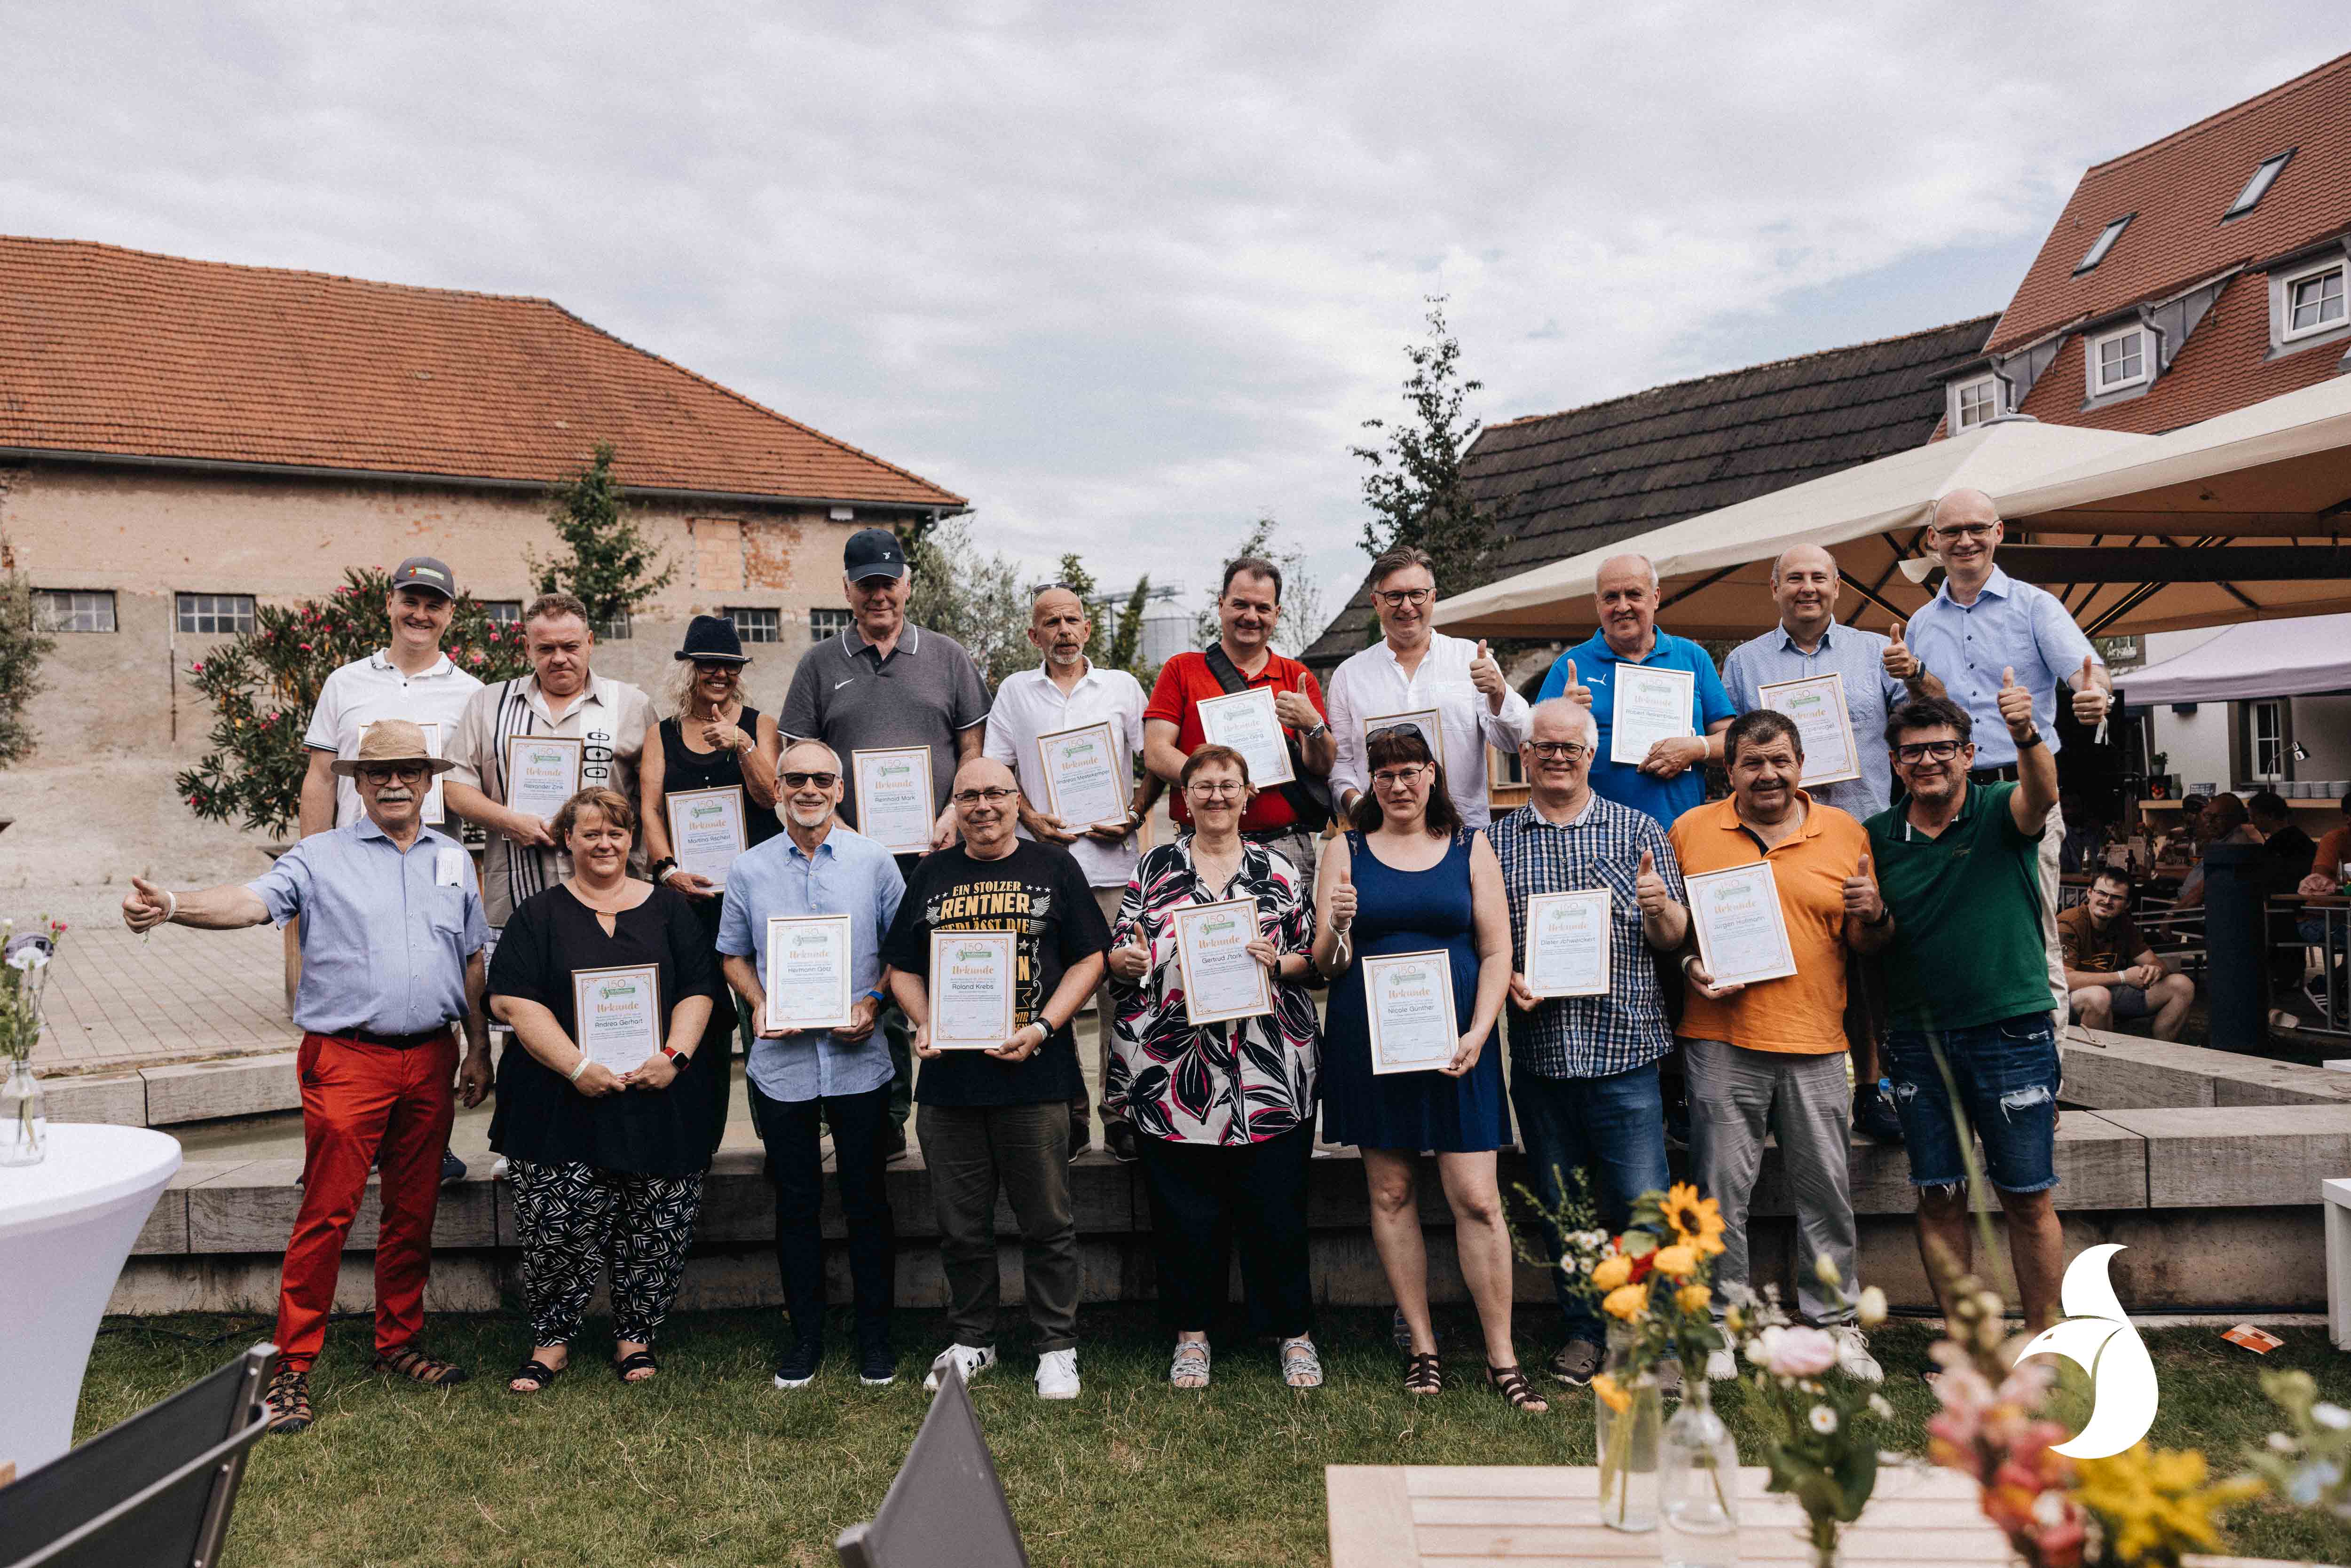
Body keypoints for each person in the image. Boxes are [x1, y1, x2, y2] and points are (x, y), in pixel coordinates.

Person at [120, 720, 492, 1434]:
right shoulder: (318, 856)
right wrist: (175, 905)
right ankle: (292, 1366)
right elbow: (252, 901)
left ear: (427, 780)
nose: (394, 783)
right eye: (378, 772)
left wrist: (477, 1047)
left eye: (408, 771)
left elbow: (471, 959)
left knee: (413, 1209)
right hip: (347, 1057)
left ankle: (398, 1342)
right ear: (356, 781)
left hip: (432, 1056)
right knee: (327, 1212)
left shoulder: (453, 858)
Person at [1312, 726, 1541, 1411]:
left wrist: (1479, 1029)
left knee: (1477, 1195)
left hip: (1457, 1043)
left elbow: (1498, 949)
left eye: (1410, 771)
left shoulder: (1471, 844)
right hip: (1371, 1040)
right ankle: (1423, 1346)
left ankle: (1502, 1352)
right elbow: (1325, 964)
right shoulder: (1342, 848)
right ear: (1370, 784)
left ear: (1433, 774)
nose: (1399, 785)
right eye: (1385, 775)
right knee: (1390, 1193)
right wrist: (1339, 926)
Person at [1667, 709, 1891, 1384]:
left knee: (1825, 1190)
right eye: (1752, 763)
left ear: (1802, 766)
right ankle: (1719, 1323)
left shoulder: (1846, 833)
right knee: (1717, 1192)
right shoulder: (1692, 830)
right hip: (1720, 1038)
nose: (1768, 774)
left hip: (1817, 1039)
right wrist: (1686, 963)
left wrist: (1874, 913)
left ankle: (1833, 1322)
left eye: (1781, 761)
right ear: (1727, 769)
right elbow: (1675, 933)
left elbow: (1865, 948)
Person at [884, 757, 1111, 1400]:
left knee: (1047, 1220)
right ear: (952, 806)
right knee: (961, 1224)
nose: (983, 805)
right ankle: (973, 1338)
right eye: (968, 795)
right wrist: (924, 1020)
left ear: (1018, 801)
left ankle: (1057, 1346)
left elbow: (1090, 957)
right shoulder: (931, 873)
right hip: (951, 1084)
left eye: (995, 793)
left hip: (1035, 1075)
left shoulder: (1054, 867)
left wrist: (1043, 1025)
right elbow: (901, 965)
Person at [485, 788, 722, 1391]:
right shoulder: (536, 915)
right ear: (567, 840)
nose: (604, 843)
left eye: (616, 832)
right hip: (559, 1102)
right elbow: (512, 999)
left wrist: (674, 1055)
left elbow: (700, 989)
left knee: (656, 1223)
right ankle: (551, 1341)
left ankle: (635, 1338)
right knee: (555, 1227)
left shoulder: (672, 911)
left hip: (657, 1097)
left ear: (631, 840)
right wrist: (575, 1065)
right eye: (590, 832)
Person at [1104, 745, 1323, 1390]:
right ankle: (1192, 1336)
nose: (1217, 796)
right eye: (1204, 785)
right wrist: (1126, 960)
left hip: (1268, 1067)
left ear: (1249, 794)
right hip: (1174, 1068)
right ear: (1186, 796)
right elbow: (1124, 948)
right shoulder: (1153, 868)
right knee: (1183, 1212)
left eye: (1229, 785)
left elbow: (1313, 956)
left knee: (1277, 1207)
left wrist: (1279, 961)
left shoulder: (1279, 870)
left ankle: (1294, 1334)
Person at [1487, 699, 1689, 1390]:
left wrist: (1663, 910)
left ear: (1591, 754)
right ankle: (1583, 1328)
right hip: (1543, 1055)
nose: (1557, 758)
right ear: (1525, 753)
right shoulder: (1498, 840)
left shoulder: (1638, 829)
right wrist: (1510, 973)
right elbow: (1491, 943)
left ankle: (1655, 1334)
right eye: (1544, 746)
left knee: (1641, 1203)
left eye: (1570, 748)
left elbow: (1673, 938)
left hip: (1625, 1051)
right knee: (1564, 1203)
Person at [1720, 543, 1944, 1145]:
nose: (1806, 587)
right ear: (1774, 588)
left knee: (1871, 958)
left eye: (1818, 577)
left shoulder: (1875, 651)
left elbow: (1933, 715)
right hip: (1774, 832)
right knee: (1784, 957)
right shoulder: (1743, 662)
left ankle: (1872, 1088)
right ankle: (1772, 1089)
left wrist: (1914, 672)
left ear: (1837, 587)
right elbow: (1728, 743)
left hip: (1863, 824)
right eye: (1793, 577)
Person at [782, 527, 992, 1158]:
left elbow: (973, 746)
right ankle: (888, 1114)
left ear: (907, 584)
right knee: (874, 981)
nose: (880, 594)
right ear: (847, 589)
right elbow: (799, 755)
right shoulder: (819, 664)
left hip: (938, 847)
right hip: (850, 853)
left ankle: (964, 1110)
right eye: (866, 583)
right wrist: (831, 825)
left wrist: (956, 808)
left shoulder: (949, 656)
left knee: (953, 972)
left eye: (889, 581)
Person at [1865, 688, 2066, 1331]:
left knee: (2028, 1196)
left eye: (1942, 748)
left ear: (1969, 754)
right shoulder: (1876, 835)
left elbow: (2044, 796)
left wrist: (2028, 734)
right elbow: (1869, 942)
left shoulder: (1997, 810)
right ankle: (1964, 1342)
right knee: (1940, 1192)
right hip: (1919, 1038)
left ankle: (2043, 1335)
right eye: (1912, 751)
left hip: (2011, 1028)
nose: (1927, 760)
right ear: (1896, 762)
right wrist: (1873, 916)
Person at [717, 741, 906, 1390]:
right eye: (795, 778)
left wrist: (875, 1000)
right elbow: (733, 954)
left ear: (841, 789)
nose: (809, 788)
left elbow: (900, 951)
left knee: (867, 1201)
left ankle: (875, 1338)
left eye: (822, 778)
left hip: (860, 1058)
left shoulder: (875, 861)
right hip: (783, 1062)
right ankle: (805, 1338)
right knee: (795, 1203)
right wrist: (762, 1001)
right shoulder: (747, 868)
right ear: (777, 789)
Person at [298, 554, 486, 1187]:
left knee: (432, 986)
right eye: (411, 599)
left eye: (434, 603)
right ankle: (338, 1144)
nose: (420, 613)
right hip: (356, 865)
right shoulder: (345, 682)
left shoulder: (471, 693)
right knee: (349, 1001)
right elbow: (321, 777)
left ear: (450, 614)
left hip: (437, 863)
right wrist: (310, 867)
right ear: (389, 603)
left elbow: (473, 785)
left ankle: (431, 1142)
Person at [1899, 488, 2112, 1021]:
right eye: (1950, 531)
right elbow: (1933, 705)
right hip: (1951, 796)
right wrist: (1915, 678)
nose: (1964, 540)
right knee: (1956, 934)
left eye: (1976, 527)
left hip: (2024, 788)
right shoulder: (1922, 621)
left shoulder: (2035, 606)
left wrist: (2094, 698)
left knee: (2035, 938)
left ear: (1998, 532)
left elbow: (2088, 673)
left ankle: (2045, 1081)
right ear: (1933, 541)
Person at [984, 583, 1158, 1161]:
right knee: (1047, 994)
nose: (1062, 630)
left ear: (1087, 629)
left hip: (1112, 867)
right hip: (1044, 868)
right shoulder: (1014, 692)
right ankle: (1070, 1118)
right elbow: (998, 769)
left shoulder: (1121, 688)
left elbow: (1153, 758)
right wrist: (1031, 818)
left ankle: (1121, 1114)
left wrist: (1134, 812)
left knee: (1119, 994)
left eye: (1071, 619)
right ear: (1032, 635)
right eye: (1049, 622)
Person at [639, 614, 781, 1129]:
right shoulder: (663, 732)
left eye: (728, 665)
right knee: (699, 1016)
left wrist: (739, 743)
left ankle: (777, 1136)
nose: (718, 674)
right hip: (691, 897)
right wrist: (666, 869)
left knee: (764, 1014)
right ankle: (701, 1137)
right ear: (690, 669)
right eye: (708, 665)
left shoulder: (759, 724)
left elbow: (772, 796)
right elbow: (650, 809)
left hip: (754, 895)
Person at [444, 591, 656, 930]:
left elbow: (654, 799)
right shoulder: (488, 704)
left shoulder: (632, 705)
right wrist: (509, 821)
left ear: (589, 642)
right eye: (546, 649)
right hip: (516, 900)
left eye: (570, 646)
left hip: (615, 905)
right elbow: (455, 786)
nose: (559, 658)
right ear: (527, 648)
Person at [1144, 555, 1335, 879]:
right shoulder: (1181, 669)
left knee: (1289, 933)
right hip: (1199, 845)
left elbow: (1322, 765)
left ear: (1277, 613)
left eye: (1262, 608)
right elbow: (1157, 751)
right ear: (1221, 606)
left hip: (1283, 845)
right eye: (1240, 604)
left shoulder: (1298, 676)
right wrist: (1223, 784)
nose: (1251, 616)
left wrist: (1312, 725)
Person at [1325, 545, 1530, 829]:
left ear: (1433, 597)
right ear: (1375, 602)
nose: (1406, 606)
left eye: (1416, 594)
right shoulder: (1349, 676)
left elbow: (1515, 741)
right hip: (1380, 837)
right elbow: (1341, 764)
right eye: (1394, 596)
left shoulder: (1471, 659)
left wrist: (1498, 694)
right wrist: (1358, 806)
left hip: (1461, 834)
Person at [1533, 552, 1736, 828]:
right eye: (1611, 597)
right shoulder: (1570, 667)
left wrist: (1696, 747)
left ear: (1656, 597)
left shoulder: (1692, 658)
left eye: (1634, 595)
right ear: (1597, 603)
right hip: (1595, 839)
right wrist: (1560, 718)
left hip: (1681, 831)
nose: (1622, 606)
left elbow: (1733, 743)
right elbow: (1533, 755)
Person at [2060, 867, 2193, 1040]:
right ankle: (2102, 1063)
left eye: (2116, 897)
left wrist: (2154, 971)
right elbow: (2065, 980)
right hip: (2063, 1001)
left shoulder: (2122, 923)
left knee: (2182, 985)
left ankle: (2158, 1055)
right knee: (2098, 996)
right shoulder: (2069, 924)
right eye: (2102, 893)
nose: (2107, 901)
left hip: (2109, 992)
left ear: (2128, 904)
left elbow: (2156, 963)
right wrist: (2123, 977)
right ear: (2090, 893)